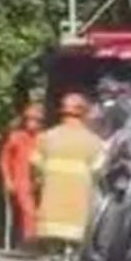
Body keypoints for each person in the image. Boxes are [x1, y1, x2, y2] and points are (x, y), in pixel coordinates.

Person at [33, 92, 106, 250]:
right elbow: (99, 172)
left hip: (50, 218)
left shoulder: (46, 138)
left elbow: (35, 166)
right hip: (78, 219)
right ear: (84, 113)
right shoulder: (94, 142)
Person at [0, 100, 44, 249]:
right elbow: (4, 160)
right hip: (20, 182)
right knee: (26, 213)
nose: (32, 123)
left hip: (39, 183)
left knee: (36, 215)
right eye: (29, 119)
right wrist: (8, 180)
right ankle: (24, 244)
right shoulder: (16, 137)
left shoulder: (44, 138)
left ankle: (32, 244)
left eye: (36, 120)